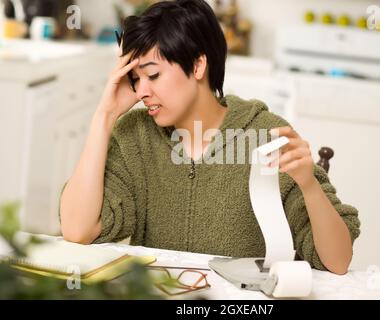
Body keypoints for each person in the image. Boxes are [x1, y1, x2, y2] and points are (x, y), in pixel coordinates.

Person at [59, 0, 360, 275]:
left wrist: (308, 184)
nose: (141, 92)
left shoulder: (265, 135)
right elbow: (77, 230)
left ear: (198, 65)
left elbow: (337, 261)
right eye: (135, 80)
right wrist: (105, 116)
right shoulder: (134, 136)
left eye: (153, 76)